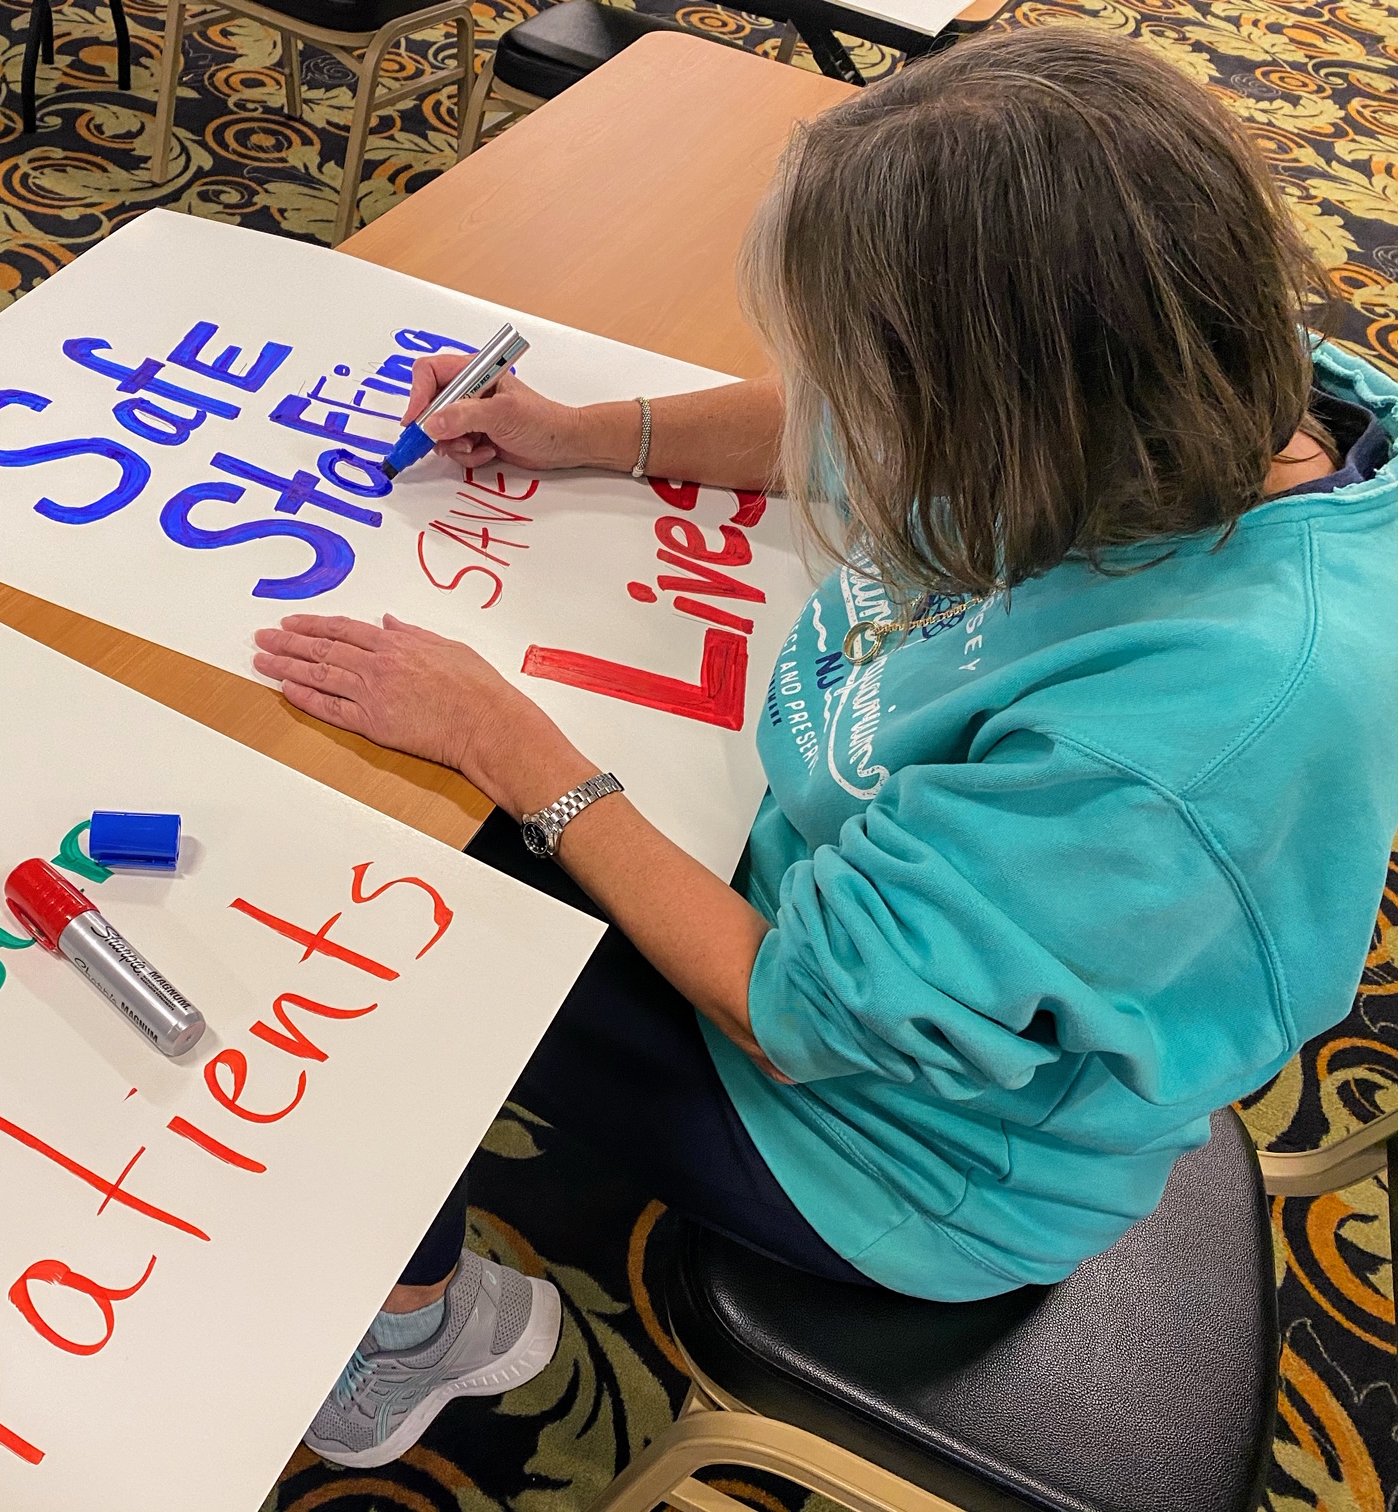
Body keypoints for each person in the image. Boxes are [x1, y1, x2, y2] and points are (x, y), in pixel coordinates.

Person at [254, 25, 1398, 1471]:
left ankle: (429, 1333)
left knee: (360, 917)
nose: (844, 430)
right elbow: (849, 411)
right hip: (840, 879)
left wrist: (511, 741)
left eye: (880, 386)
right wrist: (586, 433)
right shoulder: (1197, 370)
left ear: (997, 411)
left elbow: (799, 1023)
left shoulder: (1182, 739)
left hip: (891, 1155)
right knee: (401, 808)